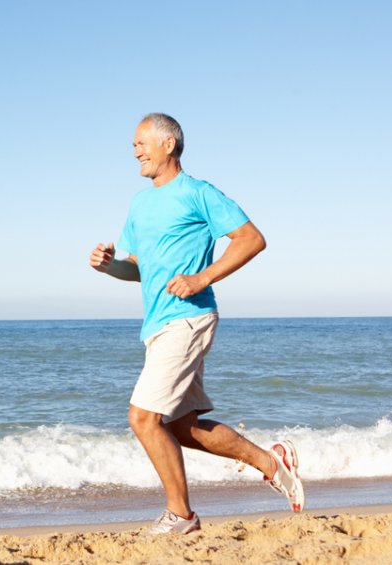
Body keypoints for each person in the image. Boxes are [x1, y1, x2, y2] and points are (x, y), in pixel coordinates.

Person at [89, 113, 304, 536]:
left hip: (189, 319)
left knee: (142, 418)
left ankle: (182, 516)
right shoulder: (139, 203)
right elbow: (137, 269)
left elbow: (251, 239)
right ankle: (271, 461)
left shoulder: (198, 193)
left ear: (168, 145)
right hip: (157, 325)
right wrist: (108, 266)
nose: (134, 151)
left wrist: (201, 278)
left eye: (141, 143)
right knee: (181, 427)